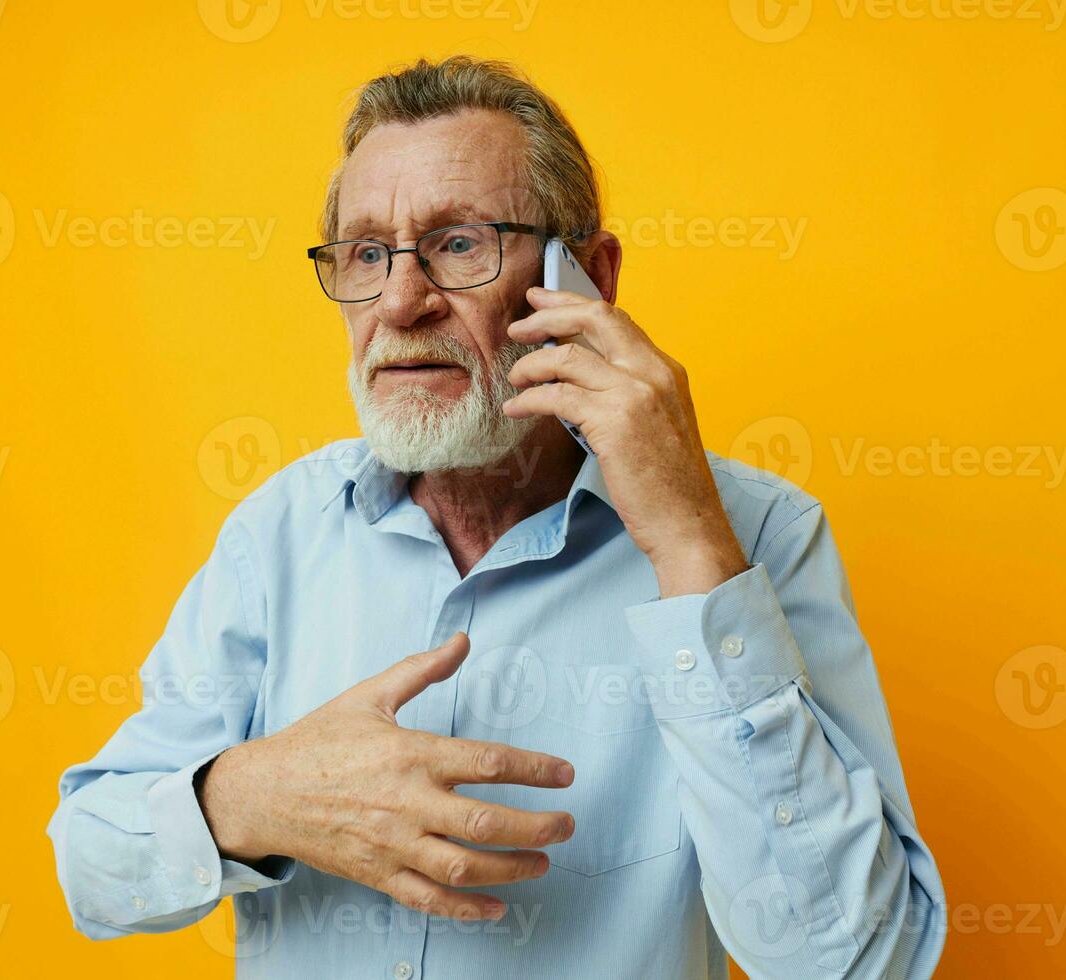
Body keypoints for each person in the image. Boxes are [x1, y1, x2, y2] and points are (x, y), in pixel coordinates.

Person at [46, 55, 946, 979]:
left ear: (585, 278)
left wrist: (688, 548)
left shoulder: (751, 536)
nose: (399, 302)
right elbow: (92, 866)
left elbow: (855, 961)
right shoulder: (279, 534)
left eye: (461, 242)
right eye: (363, 253)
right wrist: (255, 800)